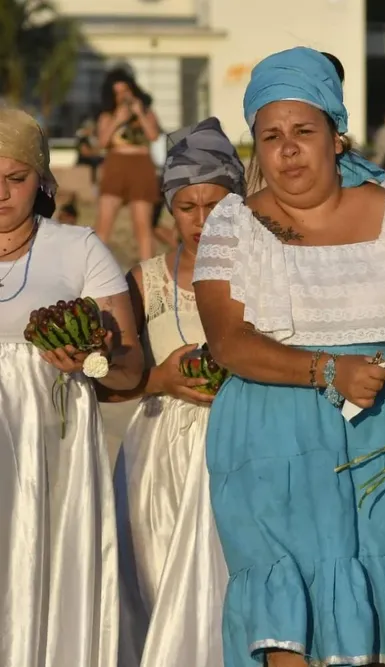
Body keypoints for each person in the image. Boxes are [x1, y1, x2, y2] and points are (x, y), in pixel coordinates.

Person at [191, 47, 385, 667]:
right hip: (277, 440)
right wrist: (327, 371)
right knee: (292, 623)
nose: (287, 150)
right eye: (270, 136)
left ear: (337, 137)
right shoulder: (235, 224)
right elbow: (228, 342)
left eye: (303, 132)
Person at [0, 106, 145, 667]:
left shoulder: (79, 248)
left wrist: (96, 358)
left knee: (46, 567)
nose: (3, 193)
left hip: (51, 453)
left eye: (16, 178)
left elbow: (132, 372)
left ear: (42, 179)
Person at [103, 117, 245, 667]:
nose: (203, 221)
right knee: (155, 583)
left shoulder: (262, 275)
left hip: (237, 448)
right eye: (188, 207)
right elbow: (112, 382)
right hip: (158, 460)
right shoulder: (147, 281)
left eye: (217, 205)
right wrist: (160, 378)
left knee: (226, 587)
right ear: (169, 206)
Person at [93, 67, 162, 261]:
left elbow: (153, 136)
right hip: (116, 165)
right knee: (104, 225)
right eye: (117, 93)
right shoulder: (107, 116)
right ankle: (95, 270)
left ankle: (147, 272)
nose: (123, 96)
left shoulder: (146, 113)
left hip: (141, 166)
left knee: (143, 227)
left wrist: (139, 114)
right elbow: (102, 143)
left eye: (126, 91)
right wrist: (117, 120)